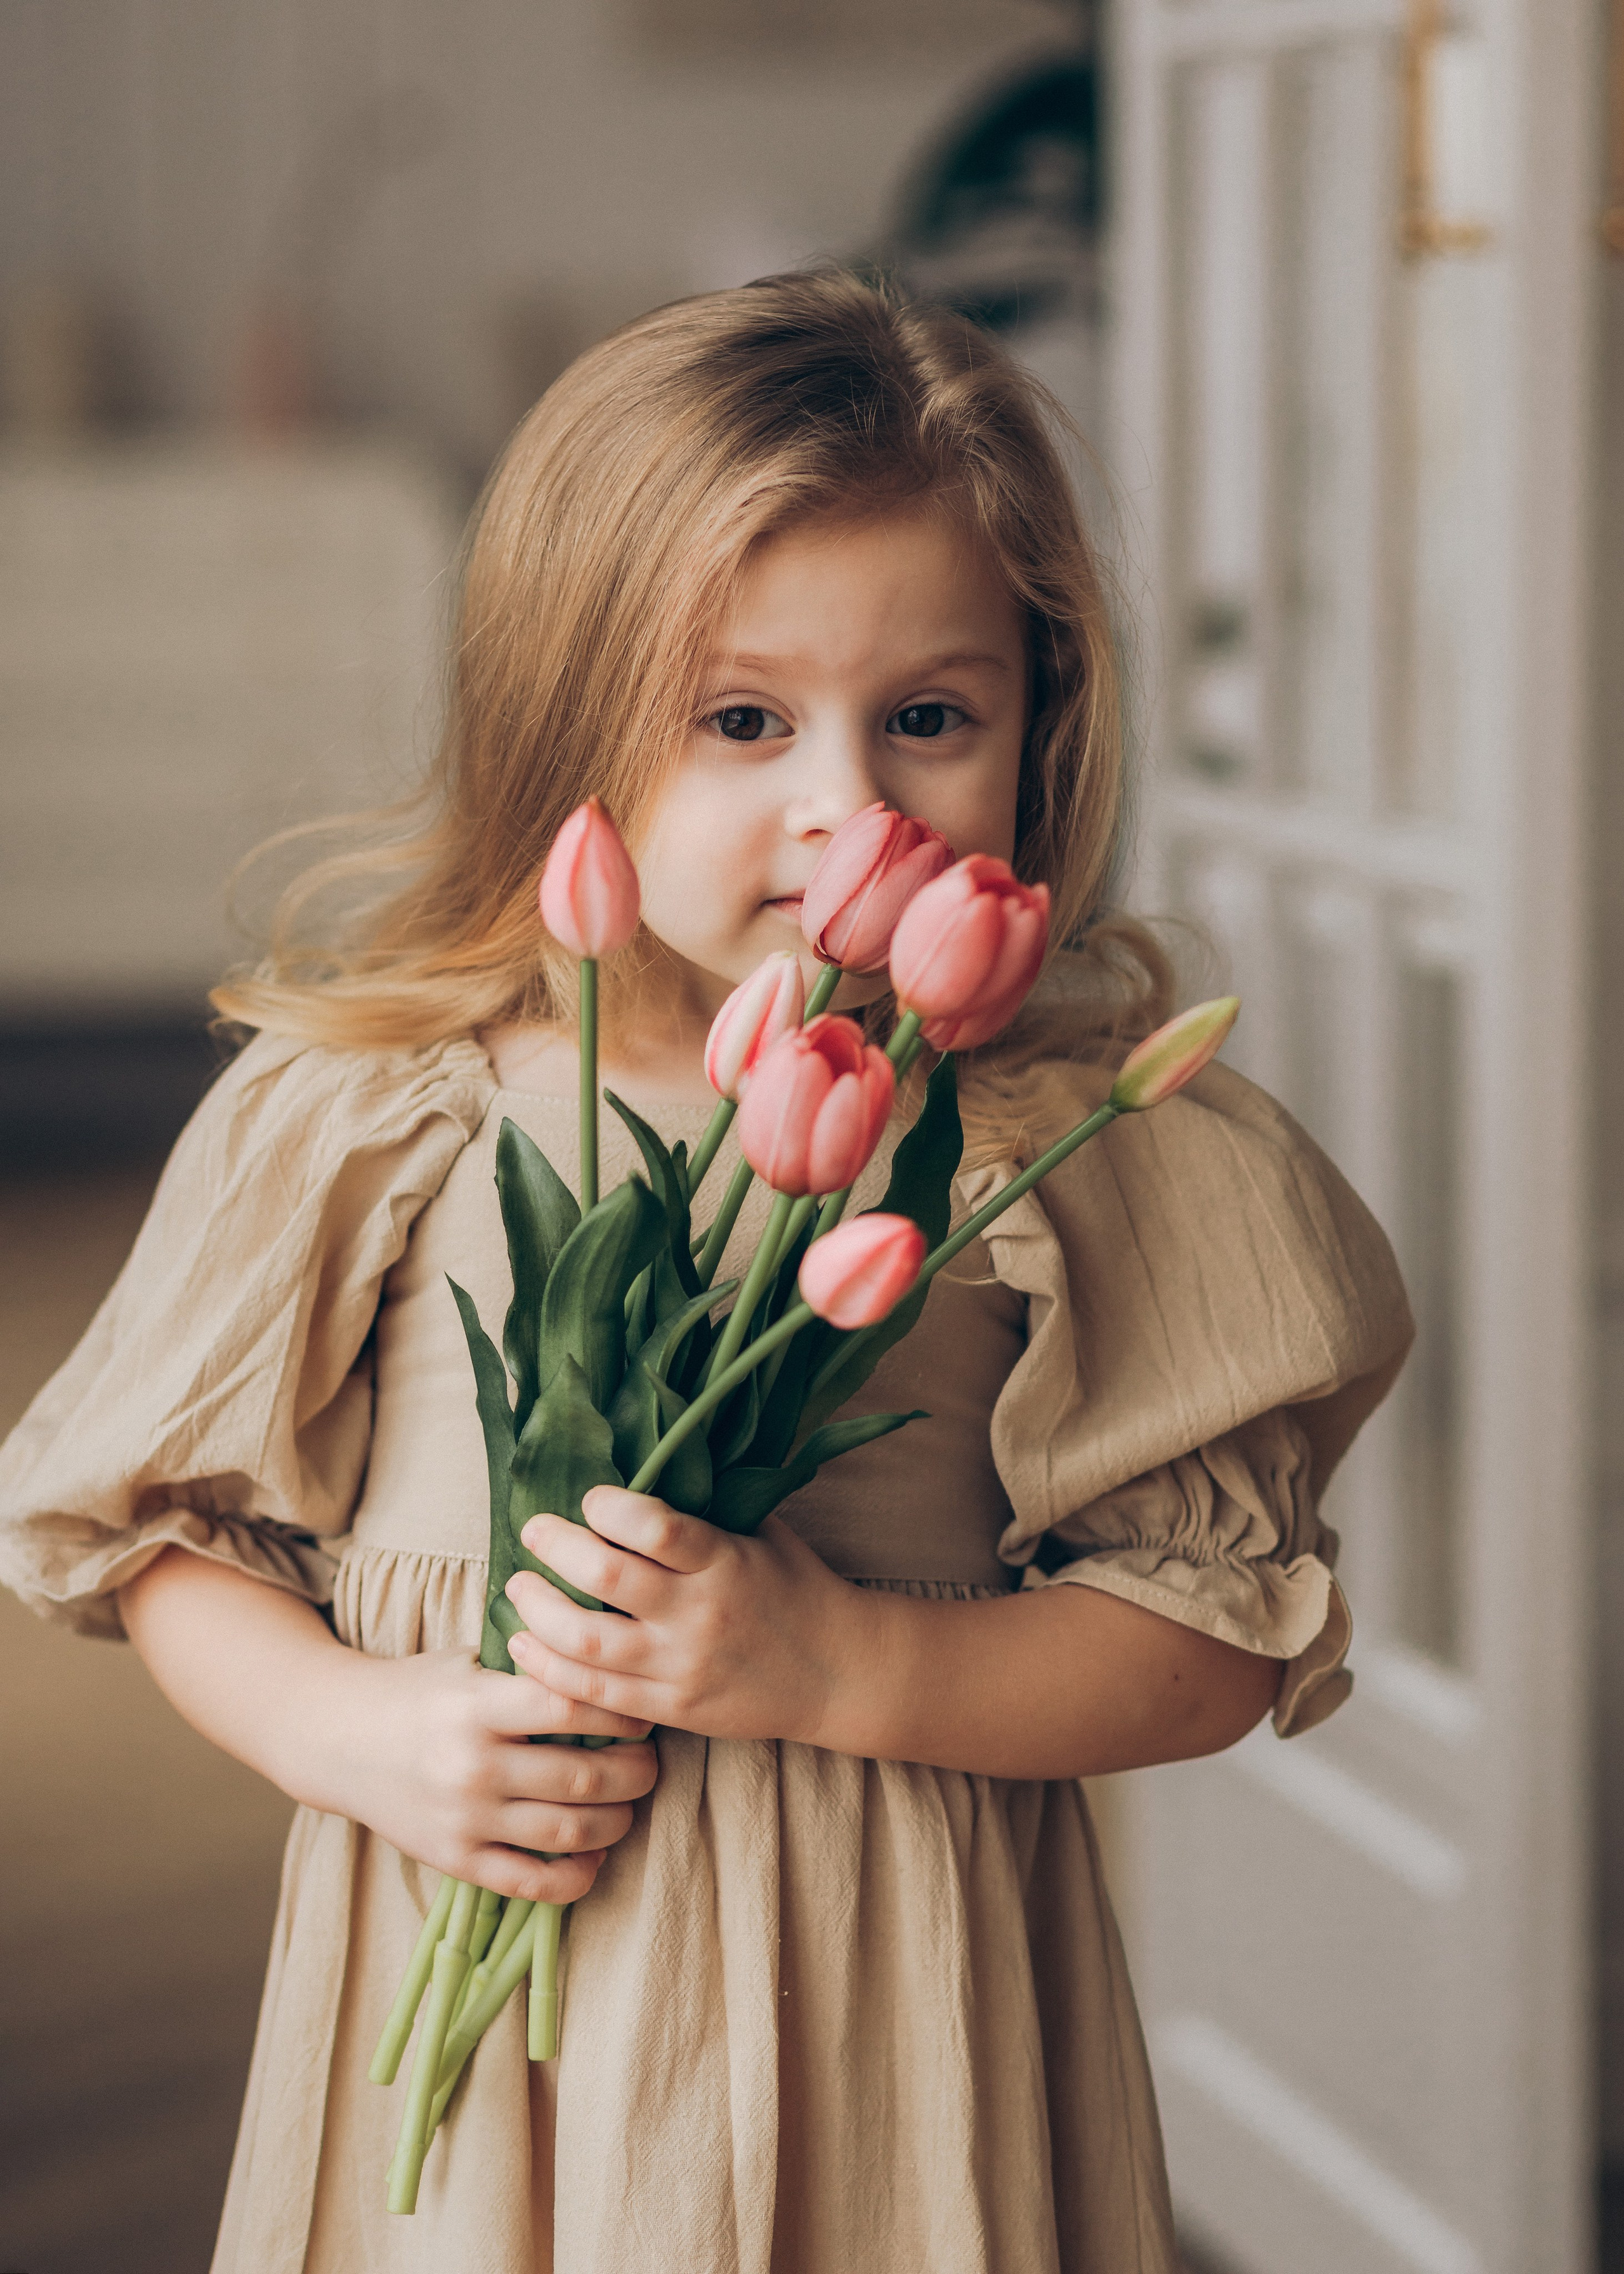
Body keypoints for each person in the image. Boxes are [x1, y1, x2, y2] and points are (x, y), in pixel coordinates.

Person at [0, 270, 1411, 2274]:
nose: (848, 804)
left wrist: (841, 1659)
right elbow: (165, 1537)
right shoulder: (383, 1111)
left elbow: (1215, 1636)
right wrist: (352, 1733)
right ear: (569, 720)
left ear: (1042, 725)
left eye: (932, 716)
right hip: (497, 2039)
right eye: (741, 719)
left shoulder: (1084, 1152)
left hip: (897, 2023)